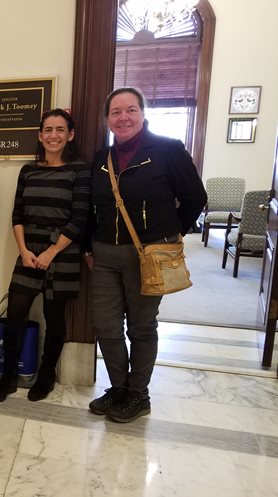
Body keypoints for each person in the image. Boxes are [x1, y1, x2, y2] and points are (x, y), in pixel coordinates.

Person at [86, 87, 207, 422]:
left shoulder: (168, 150)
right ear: (107, 119)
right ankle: (119, 388)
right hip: (104, 254)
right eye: (116, 112)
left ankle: (139, 394)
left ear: (142, 113)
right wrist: (87, 247)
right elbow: (90, 207)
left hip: (148, 257)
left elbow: (196, 197)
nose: (123, 117)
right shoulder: (100, 159)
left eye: (131, 110)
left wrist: (171, 235)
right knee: (106, 327)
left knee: (140, 327)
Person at [0, 109, 91, 404]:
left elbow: (79, 218)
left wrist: (50, 252)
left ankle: (46, 376)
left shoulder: (80, 171)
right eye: (48, 129)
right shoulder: (28, 170)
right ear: (40, 135)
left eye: (60, 129)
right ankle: (8, 377)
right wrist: (23, 250)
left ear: (70, 135)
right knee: (16, 313)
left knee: (54, 318)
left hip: (63, 252)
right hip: (28, 251)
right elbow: (16, 214)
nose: (53, 135)